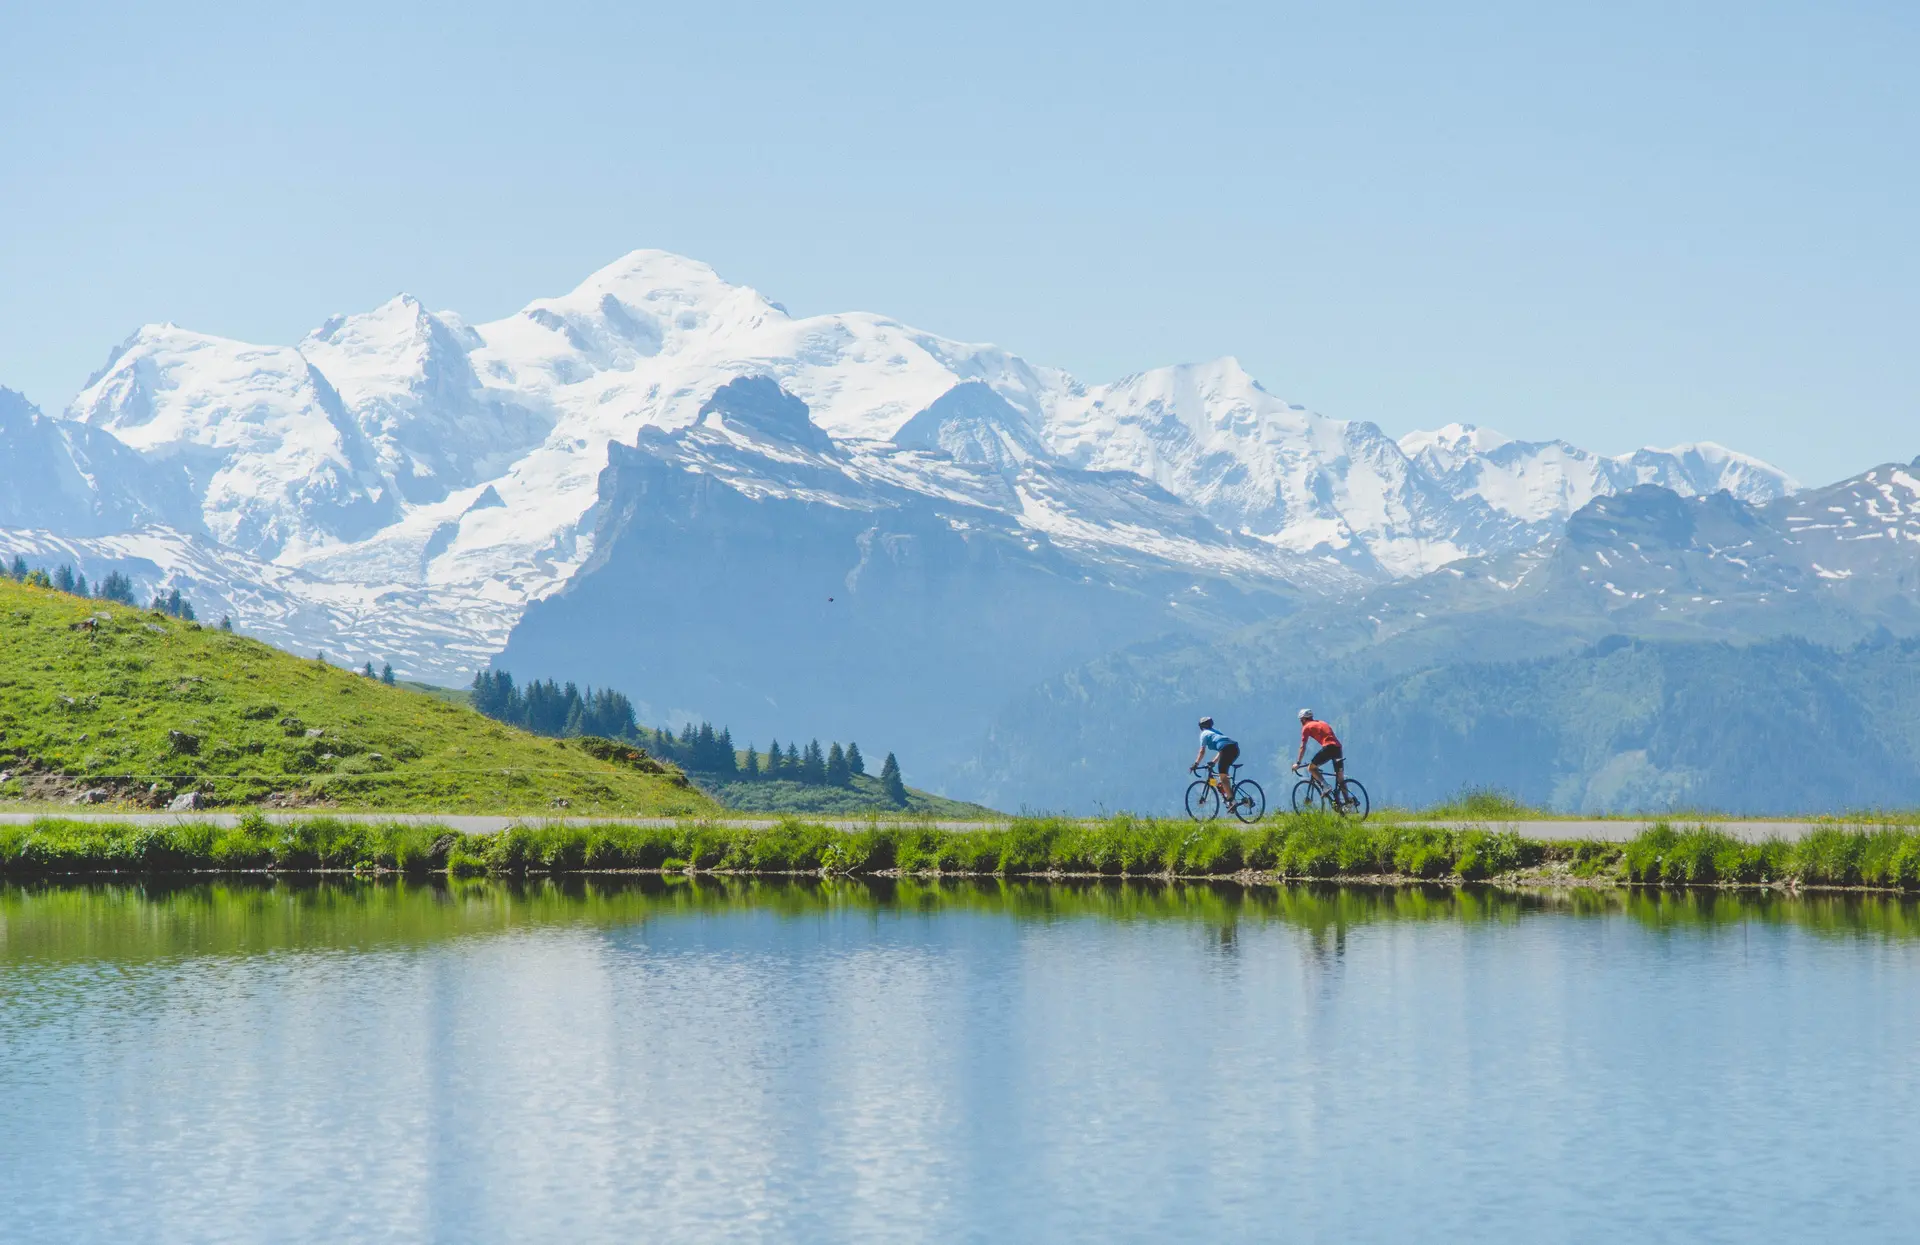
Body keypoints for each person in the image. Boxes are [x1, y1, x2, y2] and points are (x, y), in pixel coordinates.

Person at [1294, 709, 1345, 797]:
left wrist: (1298, 763)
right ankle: (1347, 802)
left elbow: (1303, 746)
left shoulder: (1306, 727)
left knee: (1311, 768)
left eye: (1301, 720)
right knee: (1340, 778)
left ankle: (1325, 786)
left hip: (1328, 747)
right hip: (1338, 748)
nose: (1300, 722)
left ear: (1304, 719)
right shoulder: (1322, 722)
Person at [1193, 716, 1239, 802]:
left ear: (1201, 727)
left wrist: (1196, 764)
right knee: (1222, 775)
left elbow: (1202, 751)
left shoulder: (1204, 734)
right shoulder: (1216, 732)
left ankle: (1231, 800)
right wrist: (1214, 762)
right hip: (1235, 748)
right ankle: (1228, 796)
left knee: (1222, 775)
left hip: (1226, 749)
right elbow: (1222, 750)